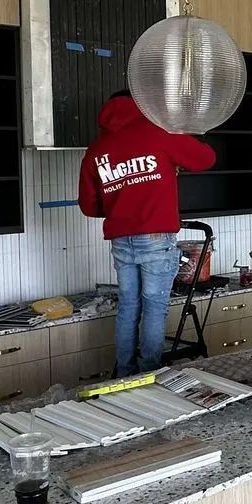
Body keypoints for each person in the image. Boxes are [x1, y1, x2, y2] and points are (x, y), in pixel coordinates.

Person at [78, 91, 217, 375]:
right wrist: (179, 130)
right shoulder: (157, 133)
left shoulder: (97, 149)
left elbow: (89, 206)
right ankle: (148, 374)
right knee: (155, 307)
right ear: (144, 105)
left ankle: (125, 373)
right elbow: (205, 158)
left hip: (121, 239)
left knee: (129, 305)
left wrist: (123, 204)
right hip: (155, 237)